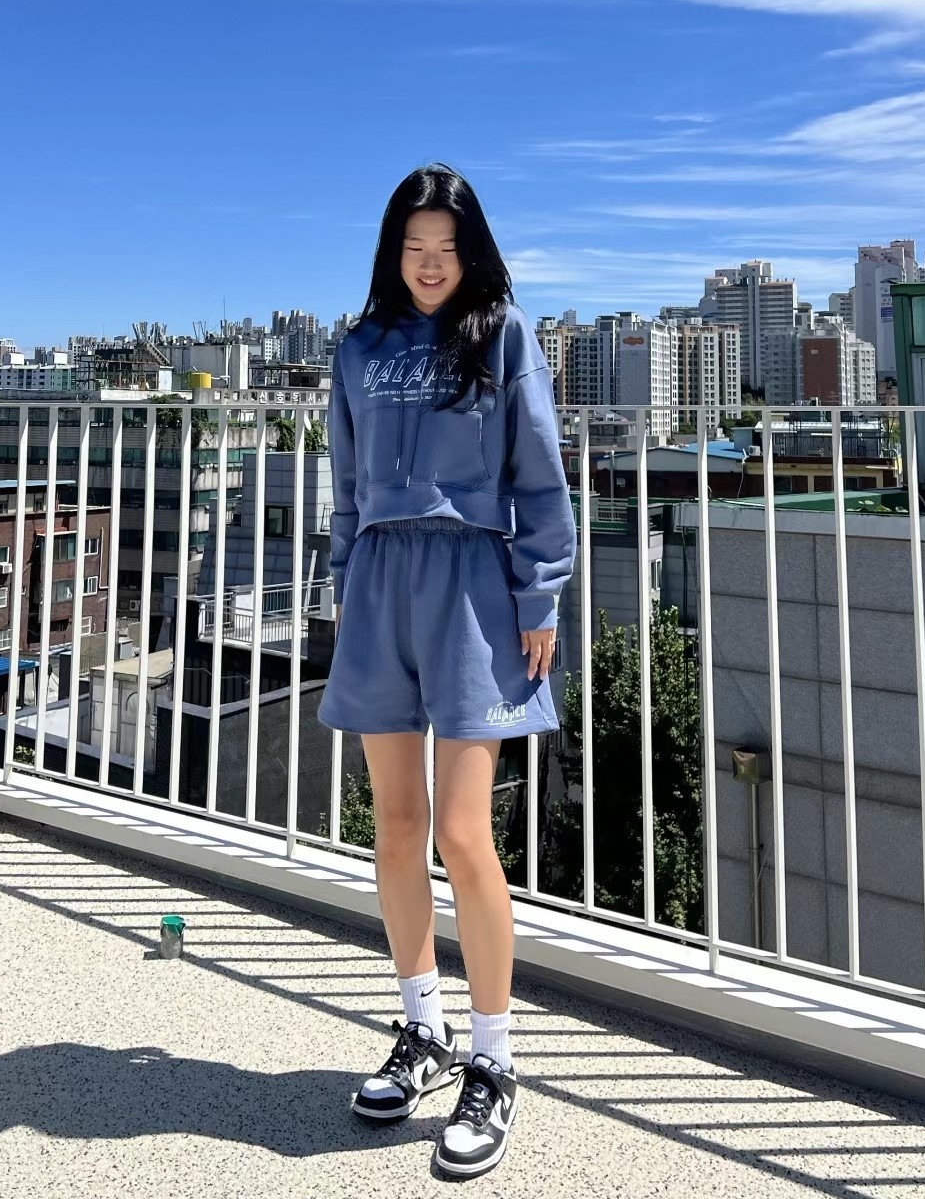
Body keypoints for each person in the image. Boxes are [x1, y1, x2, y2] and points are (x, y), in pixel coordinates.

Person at [318, 163, 576, 1179]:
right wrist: (346, 585)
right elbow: (345, 483)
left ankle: (493, 1060)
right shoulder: (358, 348)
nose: (431, 265)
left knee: (465, 831)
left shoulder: (503, 334)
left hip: (474, 581)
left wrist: (539, 595)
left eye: (448, 249)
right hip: (381, 578)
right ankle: (421, 1028)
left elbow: (540, 473)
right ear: (393, 253)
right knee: (395, 822)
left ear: (473, 253)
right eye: (414, 248)